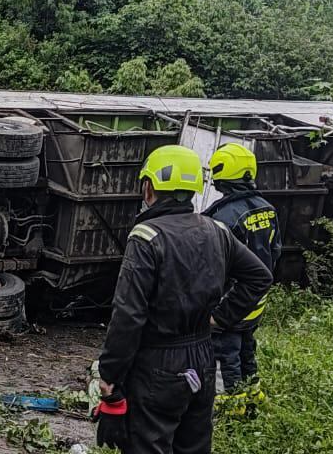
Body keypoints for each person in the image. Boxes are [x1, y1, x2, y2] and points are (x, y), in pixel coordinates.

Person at [93, 145, 272, 454]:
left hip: (157, 365)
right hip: (202, 360)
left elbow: (128, 317)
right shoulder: (216, 229)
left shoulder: (146, 236)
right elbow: (259, 276)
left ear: (149, 187)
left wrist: (110, 379)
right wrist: (220, 318)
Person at [204, 143, 280, 395]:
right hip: (254, 303)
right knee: (247, 352)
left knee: (225, 358)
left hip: (229, 306)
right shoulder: (267, 208)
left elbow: (215, 267)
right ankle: (251, 403)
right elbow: (275, 251)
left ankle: (230, 410)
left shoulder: (222, 218)